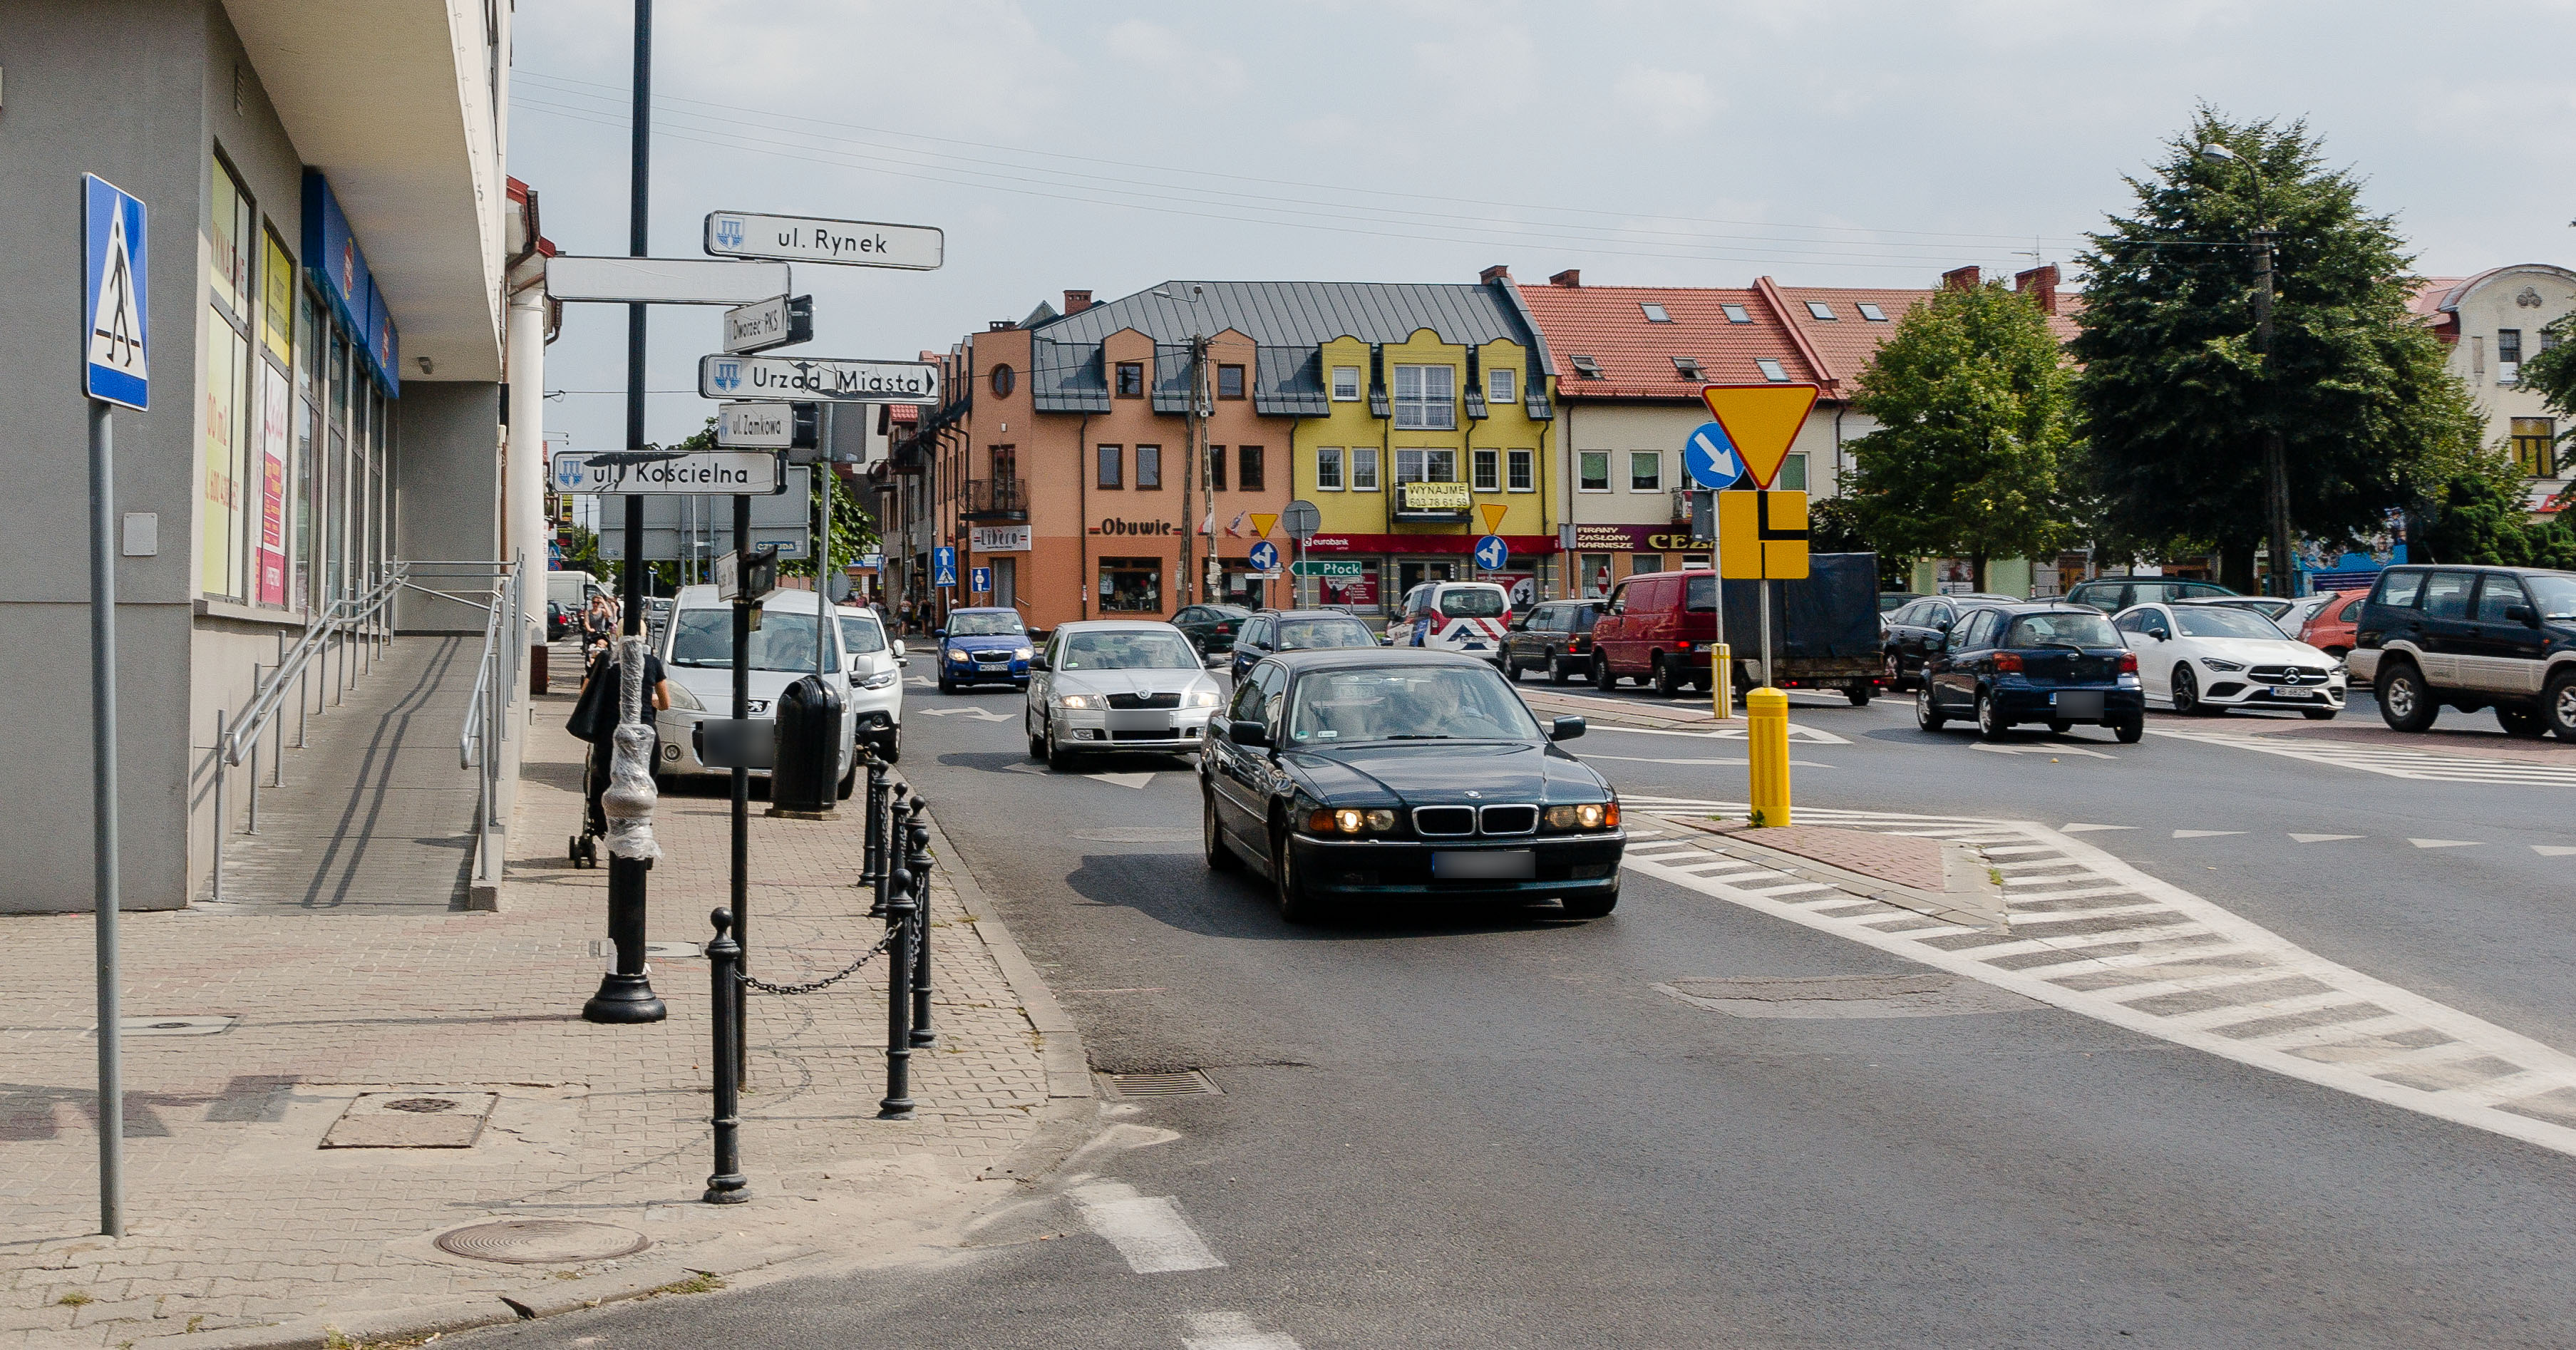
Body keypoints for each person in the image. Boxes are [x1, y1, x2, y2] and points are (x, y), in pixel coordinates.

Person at [571, 640, 671, 840]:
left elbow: (585, 694)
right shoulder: (653, 663)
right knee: (645, 780)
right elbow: (665, 703)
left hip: (610, 734)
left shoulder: (605, 660)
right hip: (644, 738)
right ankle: (639, 826)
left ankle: (602, 823)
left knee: (605, 779)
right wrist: (650, 701)